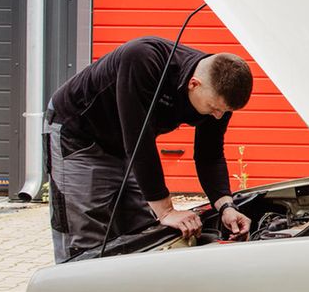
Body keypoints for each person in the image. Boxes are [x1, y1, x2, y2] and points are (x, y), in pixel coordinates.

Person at [45, 36, 254, 262]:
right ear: (194, 84)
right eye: (214, 108)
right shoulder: (144, 59)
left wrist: (226, 207)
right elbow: (138, 140)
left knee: (140, 231)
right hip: (79, 135)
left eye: (224, 111)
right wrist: (166, 211)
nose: (218, 116)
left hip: (124, 145)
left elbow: (209, 155)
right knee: (86, 237)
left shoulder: (218, 96)